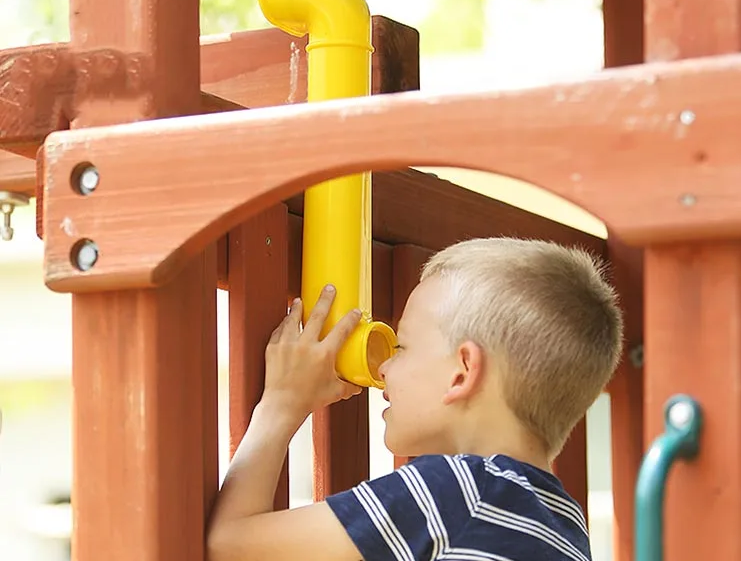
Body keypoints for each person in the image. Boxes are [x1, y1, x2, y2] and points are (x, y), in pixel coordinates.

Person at [207, 237, 624, 561]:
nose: (385, 367)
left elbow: (229, 547)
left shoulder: (455, 493)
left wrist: (282, 404)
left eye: (402, 347)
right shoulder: (565, 521)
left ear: (462, 371)